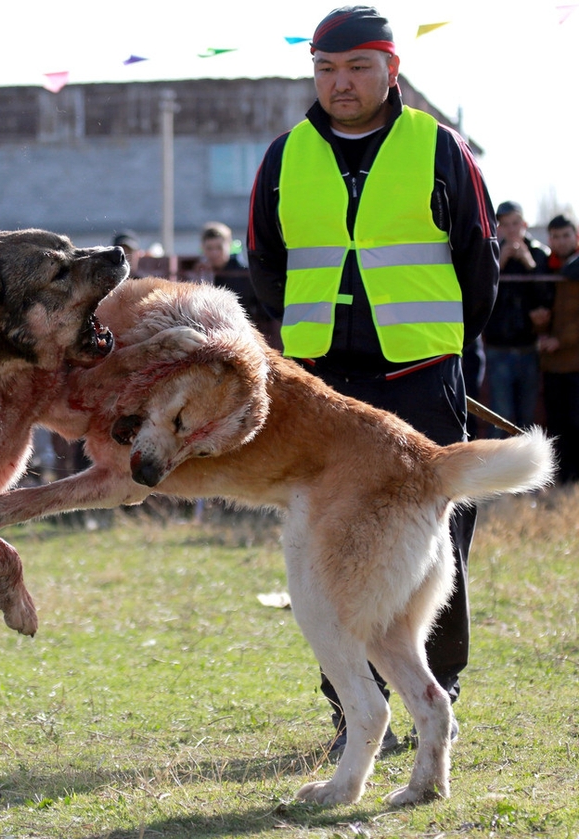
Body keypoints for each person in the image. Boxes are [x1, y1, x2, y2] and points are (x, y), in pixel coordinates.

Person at [246, 5, 499, 754]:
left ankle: (435, 692)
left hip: (422, 375)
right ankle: (352, 707)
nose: (340, 83)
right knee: (329, 548)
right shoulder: (284, 155)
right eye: (326, 69)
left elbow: (478, 264)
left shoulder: (441, 149)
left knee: (434, 541)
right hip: (324, 386)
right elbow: (268, 265)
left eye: (357, 67)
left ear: (391, 68)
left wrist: (444, 346)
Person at [482, 201, 553, 434]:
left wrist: (530, 265)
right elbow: (483, 294)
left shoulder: (539, 253)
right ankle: (499, 470)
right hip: (498, 346)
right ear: (499, 228)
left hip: (528, 346)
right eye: (505, 225)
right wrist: (499, 263)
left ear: (524, 224)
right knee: (500, 414)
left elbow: (546, 298)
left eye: (515, 224)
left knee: (527, 415)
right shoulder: (490, 252)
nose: (511, 230)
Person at [537, 214, 579, 483]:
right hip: (550, 364)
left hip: (575, 361)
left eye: (566, 235)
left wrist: (560, 340)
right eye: (556, 236)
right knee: (556, 422)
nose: (561, 241)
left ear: (576, 236)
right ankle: (561, 478)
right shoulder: (544, 266)